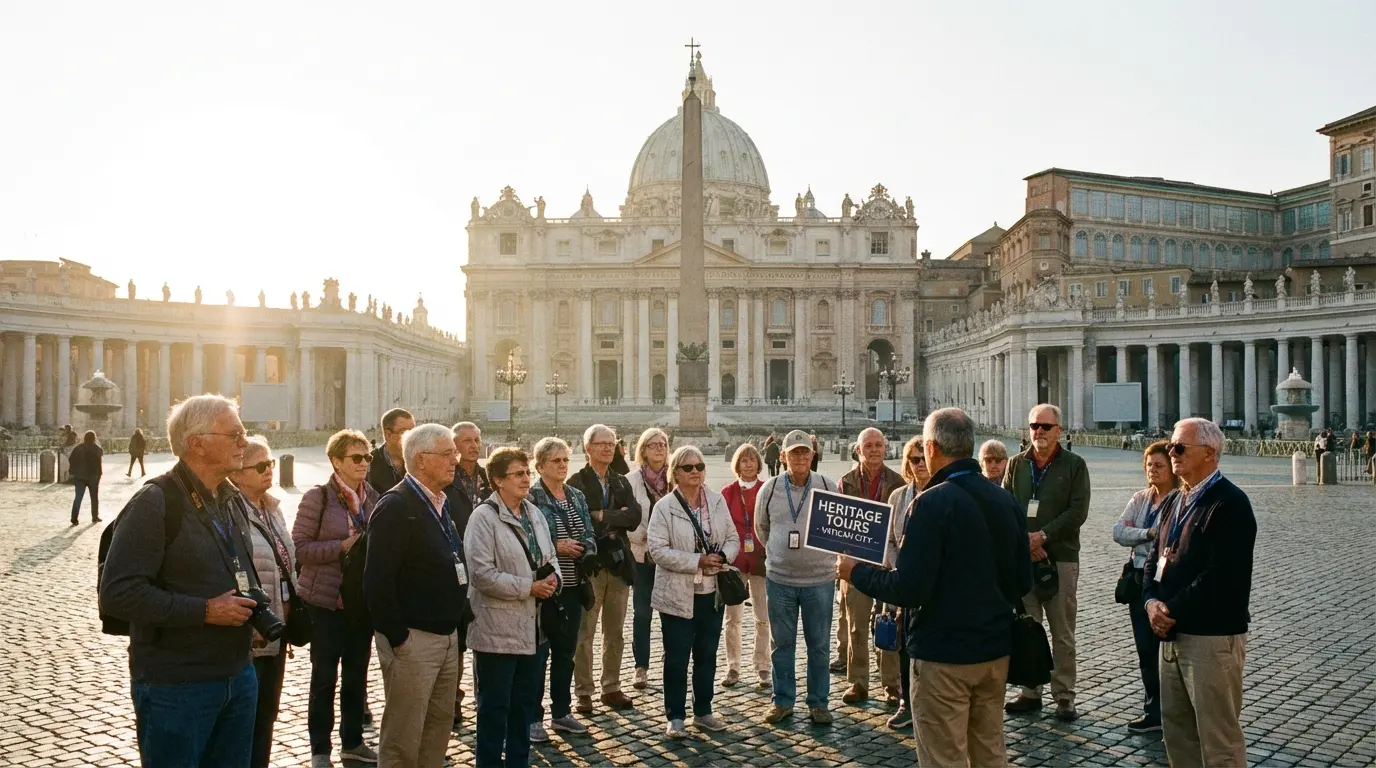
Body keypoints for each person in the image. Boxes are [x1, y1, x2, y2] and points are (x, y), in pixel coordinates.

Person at [840, 407, 1033, 768]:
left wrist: (856, 573)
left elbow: (908, 588)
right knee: (990, 752)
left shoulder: (929, 503)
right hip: (994, 653)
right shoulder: (1005, 500)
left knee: (944, 757)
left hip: (943, 656)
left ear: (931, 447)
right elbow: (1023, 581)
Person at [100, 394, 260, 767]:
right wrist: (205, 611)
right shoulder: (154, 502)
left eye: (244, 433)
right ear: (197, 443)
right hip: (176, 685)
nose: (244, 443)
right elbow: (118, 594)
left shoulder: (231, 498)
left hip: (238, 673)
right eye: (234, 434)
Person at [1145, 418, 1256, 767]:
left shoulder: (1230, 504)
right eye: (1170, 446)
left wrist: (1170, 609)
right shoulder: (1174, 500)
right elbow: (1152, 559)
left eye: (1179, 448)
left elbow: (1221, 575)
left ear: (1209, 453)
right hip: (1171, 635)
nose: (1170, 453)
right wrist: (1150, 602)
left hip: (1210, 637)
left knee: (1218, 740)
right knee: (1177, 736)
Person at [364, 423, 468, 767]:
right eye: (448, 453)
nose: (456, 459)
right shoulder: (395, 506)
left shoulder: (441, 502)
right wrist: (399, 638)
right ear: (421, 460)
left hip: (446, 635)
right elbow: (377, 581)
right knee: (403, 737)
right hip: (414, 639)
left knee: (437, 728)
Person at [465, 446, 559, 768]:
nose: (525, 479)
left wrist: (554, 579)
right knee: (494, 708)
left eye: (526, 472)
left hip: (533, 630)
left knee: (523, 707)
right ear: (497, 480)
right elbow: (481, 574)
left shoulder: (534, 513)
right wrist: (527, 588)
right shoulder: (482, 519)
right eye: (517, 474)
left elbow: (550, 558)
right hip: (496, 632)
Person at [292, 430, 381, 767]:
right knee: (324, 677)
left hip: (360, 603)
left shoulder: (373, 496)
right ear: (336, 461)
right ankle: (320, 750)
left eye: (367, 457)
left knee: (357, 675)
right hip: (326, 602)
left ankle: (353, 742)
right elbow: (299, 548)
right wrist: (340, 547)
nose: (363, 464)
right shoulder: (318, 497)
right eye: (356, 458)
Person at [1002, 403, 1091, 721]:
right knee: (1028, 627)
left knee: (1062, 630)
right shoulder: (1015, 464)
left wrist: (1043, 537)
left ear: (1059, 431)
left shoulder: (1075, 465)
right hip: (1024, 559)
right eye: (1033, 426)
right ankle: (1030, 690)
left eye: (1045, 426)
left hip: (1061, 558)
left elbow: (1077, 511)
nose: (1038, 431)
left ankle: (1064, 695)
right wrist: (1025, 543)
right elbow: (1006, 507)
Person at [648, 445, 740, 738]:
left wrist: (723, 557)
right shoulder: (664, 507)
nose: (696, 472)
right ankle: (675, 716)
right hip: (676, 594)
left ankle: (703, 711)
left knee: (707, 654)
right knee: (676, 657)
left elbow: (733, 538)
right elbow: (657, 550)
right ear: (675, 472)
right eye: (688, 468)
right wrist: (697, 561)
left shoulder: (716, 501)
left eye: (699, 467)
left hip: (711, 592)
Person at [756, 429, 838, 725]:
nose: (800, 457)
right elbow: (761, 528)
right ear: (783, 457)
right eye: (794, 453)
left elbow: (839, 529)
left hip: (820, 579)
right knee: (782, 644)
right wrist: (781, 554)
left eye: (805, 452)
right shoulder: (769, 488)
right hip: (780, 580)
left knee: (819, 645)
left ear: (812, 455)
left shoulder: (828, 485)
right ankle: (782, 701)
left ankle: (819, 702)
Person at [567, 424, 642, 714]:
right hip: (591, 566)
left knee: (615, 632)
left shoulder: (621, 481)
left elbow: (634, 517)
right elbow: (581, 521)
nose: (608, 448)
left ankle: (611, 687)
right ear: (588, 448)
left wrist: (603, 515)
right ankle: (584, 690)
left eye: (612, 443)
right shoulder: (575, 482)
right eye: (602, 444)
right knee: (584, 631)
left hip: (618, 565)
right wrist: (615, 517)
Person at [231, 436, 296, 768]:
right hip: (251, 632)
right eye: (260, 466)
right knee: (246, 717)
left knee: (268, 712)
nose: (269, 470)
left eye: (270, 463)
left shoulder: (272, 508)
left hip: (276, 628)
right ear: (238, 474)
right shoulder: (231, 512)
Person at [527, 437, 598, 741]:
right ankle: (533, 717)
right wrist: (557, 546)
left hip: (573, 584)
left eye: (565, 460)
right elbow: (527, 539)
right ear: (539, 465)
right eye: (555, 461)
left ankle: (561, 712)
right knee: (538, 654)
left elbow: (589, 532)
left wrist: (585, 548)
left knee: (565, 652)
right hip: (546, 588)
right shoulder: (531, 498)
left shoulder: (577, 496)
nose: (562, 466)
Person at [833, 427, 905, 705]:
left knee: (889, 623)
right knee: (856, 626)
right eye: (869, 446)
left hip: (887, 564)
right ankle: (858, 682)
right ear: (858, 450)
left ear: (885, 449)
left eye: (878, 445)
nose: (874, 450)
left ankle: (891, 683)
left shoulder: (898, 482)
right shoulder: (846, 481)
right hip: (855, 563)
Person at [1113, 440, 1177, 734]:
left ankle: (1175, 709)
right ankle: (1153, 707)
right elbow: (1118, 531)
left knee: (1169, 646)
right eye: (1149, 465)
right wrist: (1148, 533)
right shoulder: (1141, 498)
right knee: (1144, 647)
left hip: (1168, 581)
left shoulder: (1179, 499)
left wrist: (1140, 536)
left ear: (1172, 469)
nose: (1153, 470)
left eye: (1159, 465)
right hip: (1139, 577)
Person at [877, 436, 930, 730]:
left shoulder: (943, 493)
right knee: (903, 646)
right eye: (914, 459)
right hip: (902, 581)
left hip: (934, 587)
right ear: (907, 464)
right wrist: (900, 569)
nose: (920, 464)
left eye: (924, 458)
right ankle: (906, 703)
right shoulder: (897, 496)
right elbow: (887, 540)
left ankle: (930, 705)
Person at [444, 421, 490, 726]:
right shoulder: (446, 480)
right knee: (459, 639)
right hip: (455, 564)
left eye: (477, 440)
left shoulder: (487, 477)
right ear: (453, 446)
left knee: (485, 634)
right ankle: (453, 699)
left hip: (485, 562)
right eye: (466, 441)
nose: (474, 445)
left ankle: (483, 695)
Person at [720, 442, 770, 689]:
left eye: (752, 459)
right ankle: (733, 666)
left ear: (758, 464)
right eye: (744, 460)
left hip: (761, 562)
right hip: (736, 562)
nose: (748, 464)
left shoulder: (767, 489)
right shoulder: (727, 493)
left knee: (763, 617)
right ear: (737, 464)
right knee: (733, 618)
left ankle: (762, 665)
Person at [626, 427, 671, 690]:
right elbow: (626, 516)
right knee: (642, 613)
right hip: (642, 557)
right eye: (653, 445)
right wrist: (646, 537)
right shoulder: (631, 480)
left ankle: (671, 660)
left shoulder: (677, 477)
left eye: (663, 444)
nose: (659, 449)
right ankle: (640, 666)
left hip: (670, 558)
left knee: (671, 613)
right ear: (642, 449)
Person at [367, 408, 414, 496]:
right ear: (388, 434)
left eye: (413, 432)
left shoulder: (420, 461)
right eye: (403, 432)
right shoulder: (369, 463)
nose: (410, 437)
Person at [69, 430, 103, 525]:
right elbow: (100, 457)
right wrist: (100, 474)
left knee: (78, 498)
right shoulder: (96, 448)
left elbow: (71, 459)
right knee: (94, 497)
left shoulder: (78, 448)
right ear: (94, 438)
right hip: (93, 476)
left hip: (80, 476)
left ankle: (74, 518)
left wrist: (73, 471)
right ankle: (95, 517)